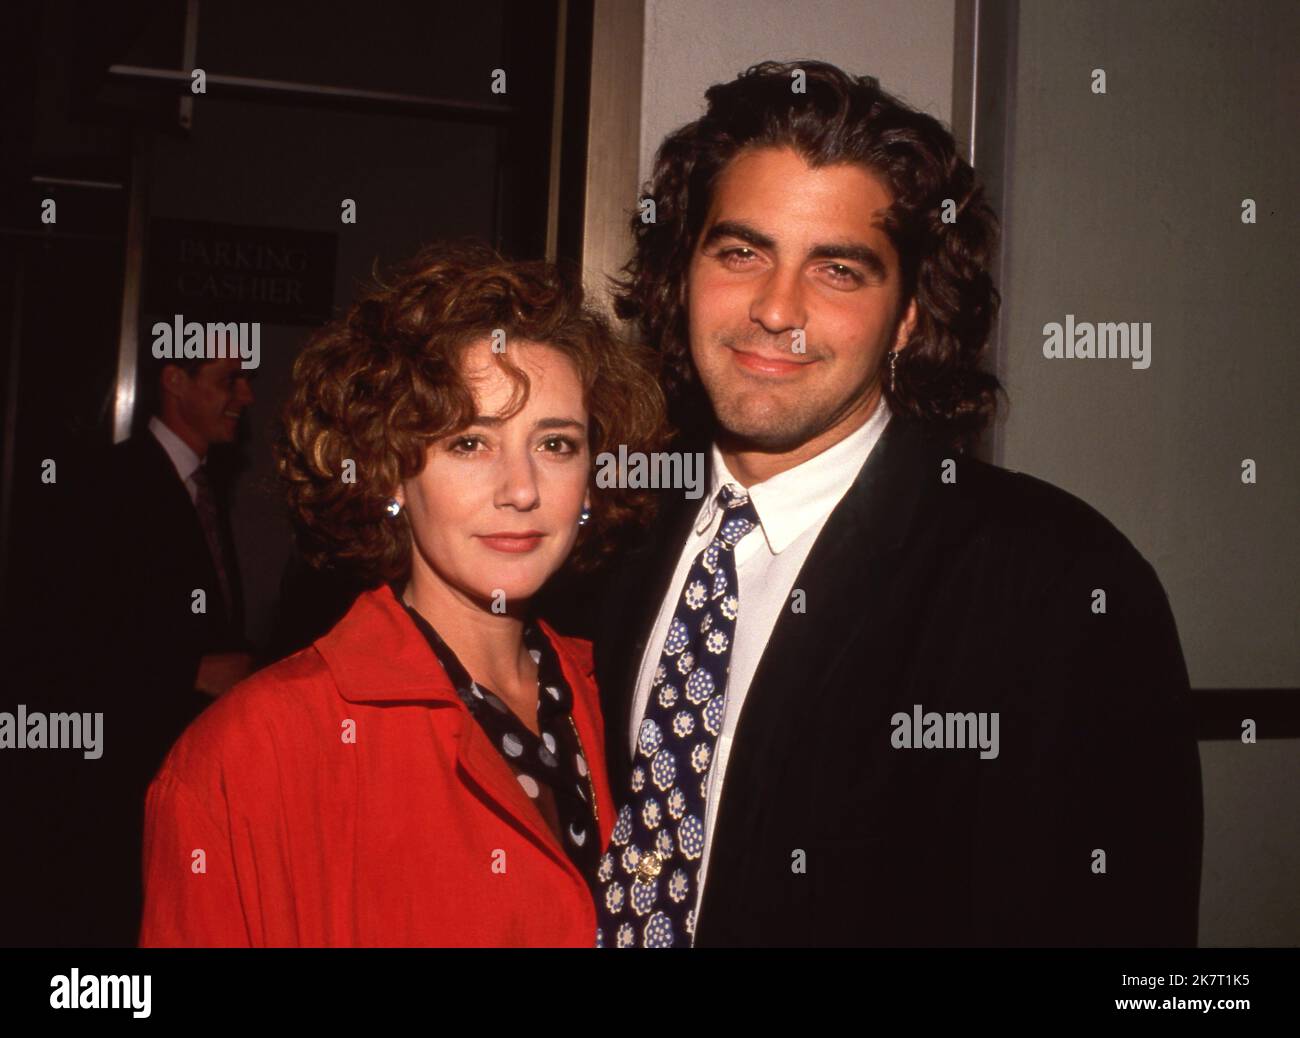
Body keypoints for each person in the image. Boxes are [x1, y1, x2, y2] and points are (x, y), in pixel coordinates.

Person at [586, 61, 1203, 947]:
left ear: (909, 314)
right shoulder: (601, 526)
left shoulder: (1059, 586)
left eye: (838, 271)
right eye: (741, 251)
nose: (776, 310)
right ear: (681, 272)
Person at [138, 240, 668, 946]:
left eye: (556, 445)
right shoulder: (253, 753)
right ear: (390, 471)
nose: (522, 490)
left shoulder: (631, 698)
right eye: (470, 443)